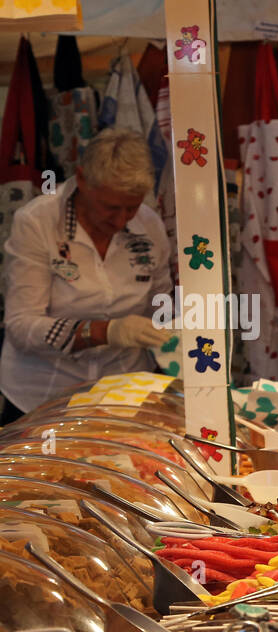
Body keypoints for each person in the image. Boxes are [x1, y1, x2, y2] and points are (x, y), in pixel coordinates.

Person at [1, 128, 173, 423]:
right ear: (81, 179)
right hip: (43, 395)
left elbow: (162, 306)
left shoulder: (150, 226)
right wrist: (104, 331)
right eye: (110, 207)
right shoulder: (38, 223)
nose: (120, 220)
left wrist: (172, 331)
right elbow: (21, 326)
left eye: (131, 208)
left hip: (123, 393)